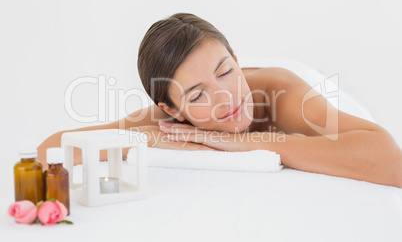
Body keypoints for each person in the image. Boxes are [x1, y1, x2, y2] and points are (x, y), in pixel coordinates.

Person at [37, 13, 402, 188]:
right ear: (173, 110)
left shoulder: (283, 92)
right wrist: (148, 137)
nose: (225, 95)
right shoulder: (164, 120)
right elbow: (49, 150)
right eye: (197, 94)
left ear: (237, 60)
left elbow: (389, 161)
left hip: (305, 86)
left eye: (225, 71)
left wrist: (239, 142)